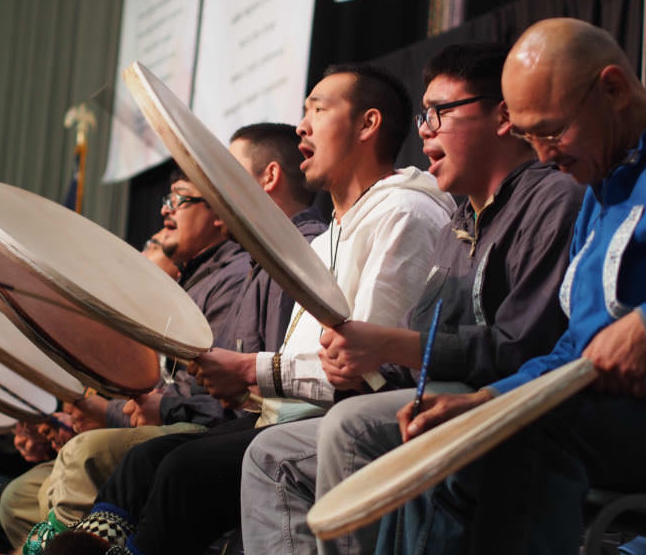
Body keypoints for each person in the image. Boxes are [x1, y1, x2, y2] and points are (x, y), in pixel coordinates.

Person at [62, 63, 455, 554]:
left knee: (185, 471)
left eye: (318, 110)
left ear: (367, 124)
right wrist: (241, 382)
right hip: (294, 414)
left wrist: (249, 371)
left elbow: (367, 368)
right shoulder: (328, 238)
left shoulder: (404, 211)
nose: (301, 127)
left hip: (338, 419)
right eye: (302, 112)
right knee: (151, 461)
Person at [239, 42, 584, 555]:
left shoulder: (551, 201)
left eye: (441, 112)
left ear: (503, 116)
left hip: (513, 401)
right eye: (424, 115)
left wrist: (391, 347)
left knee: (349, 428)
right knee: (271, 451)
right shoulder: (457, 224)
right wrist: (361, 364)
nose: (426, 129)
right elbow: (420, 351)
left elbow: (522, 349)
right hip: (445, 394)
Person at [374, 18, 646, 554]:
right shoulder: (598, 191)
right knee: (445, 440)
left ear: (613, 89)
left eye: (552, 132)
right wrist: (486, 400)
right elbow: (572, 352)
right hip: (604, 411)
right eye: (530, 138)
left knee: (526, 433)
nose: (545, 155)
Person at [0, 220, 250, 549]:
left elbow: (219, 400)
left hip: (204, 428)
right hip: (172, 425)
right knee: (18, 498)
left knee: (83, 454)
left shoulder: (226, 281)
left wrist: (114, 413)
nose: (140, 254)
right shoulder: (181, 294)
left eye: (152, 246)